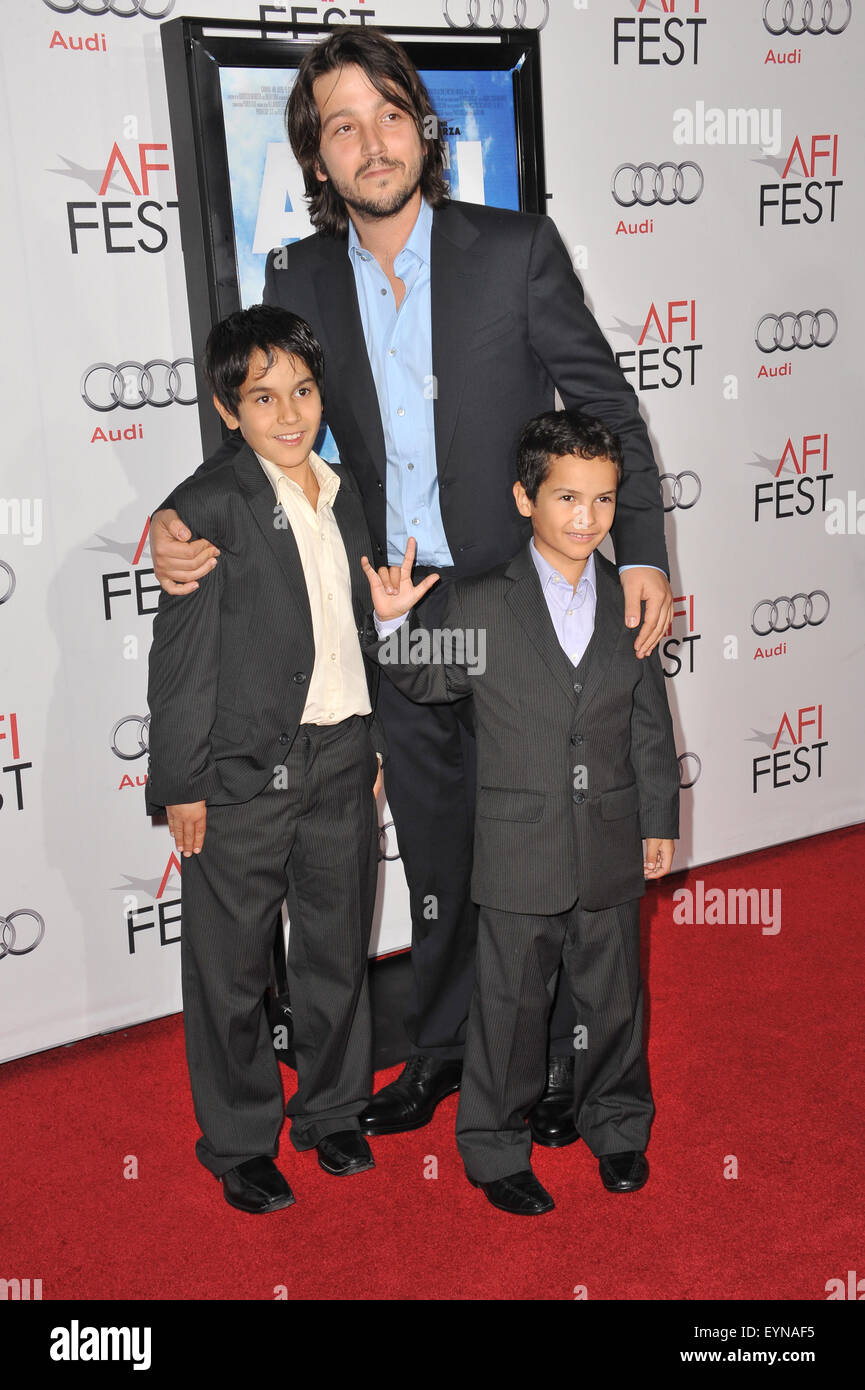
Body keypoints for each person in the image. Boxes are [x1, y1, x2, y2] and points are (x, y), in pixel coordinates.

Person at [149, 26, 674, 1147]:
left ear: (422, 130)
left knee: (560, 843)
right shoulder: (295, 275)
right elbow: (264, 433)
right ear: (317, 155)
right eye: (340, 125)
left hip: (527, 604)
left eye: (387, 114)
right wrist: (175, 517)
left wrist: (638, 551)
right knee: (439, 846)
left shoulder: (512, 248)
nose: (369, 141)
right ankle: (445, 1050)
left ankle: (565, 1068)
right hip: (402, 610)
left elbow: (609, 408)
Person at [362, 410, 679, 1215]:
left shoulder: (629, 598)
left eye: (603, 501)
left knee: (612, 1000)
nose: (586, 518)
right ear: (523, 498)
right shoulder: (479, 603)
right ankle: (493, 1148)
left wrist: (656, 822)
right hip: (514, 848)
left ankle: (616, 1128)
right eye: (567, 498)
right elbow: (426, 681)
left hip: (608, 835)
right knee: (507, 1007)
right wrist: (396, 622)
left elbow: (647, 721)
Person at [146, 305, 384, 1213]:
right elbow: (182, 659)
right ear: (225, 407)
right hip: (238, 779)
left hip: (341, 756)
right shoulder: (206, 506)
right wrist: (182, 785)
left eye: (303, 390)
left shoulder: (343, 485)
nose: (289, 414)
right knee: (231, 967)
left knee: (334, 948)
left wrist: (370, 740)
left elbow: (353, 626)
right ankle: (241, 1139)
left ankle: (332, 1110)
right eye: (262, 396)